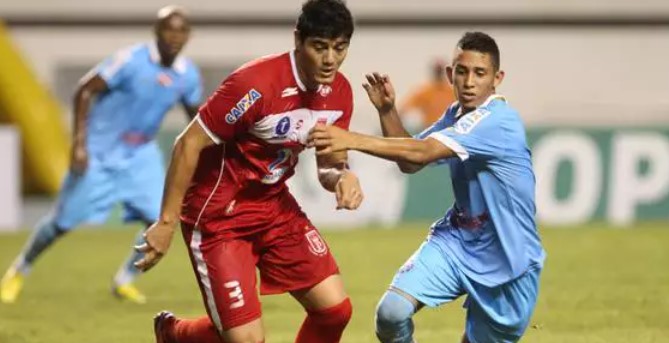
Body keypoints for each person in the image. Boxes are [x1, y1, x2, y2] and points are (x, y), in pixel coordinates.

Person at [136, 1, 362, 342]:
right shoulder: (254, 84)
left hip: (275, 209)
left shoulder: (339, 93)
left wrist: (342, 176)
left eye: (339, 48)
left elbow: (329, 165)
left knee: (335, 312)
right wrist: (166, 222)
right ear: (298, 40)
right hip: (218, 218)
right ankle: (176, 333)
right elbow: (187, 144)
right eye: (320, 47)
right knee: (247, 340)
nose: (330, 59)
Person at [308, 31, 546, 343]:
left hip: (508, 259)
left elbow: (422, 152)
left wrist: (350, 139)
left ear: (497, 78)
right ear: (451, 75)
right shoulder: (456, 115)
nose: (469, 82)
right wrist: (387, 111)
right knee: (391, 313)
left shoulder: (498, 121)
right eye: (462, 72)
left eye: (480, 73)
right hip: (458, 241)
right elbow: (411, 161)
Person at [0, 6, 203, 305]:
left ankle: (124, 280)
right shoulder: (130, 61)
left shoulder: (187, 75)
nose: (175, 36)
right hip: (100, 151)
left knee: (159, 219)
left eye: (181, 31)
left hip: (140, 155)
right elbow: (84, 90)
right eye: (169, 30)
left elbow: (196, 118)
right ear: (157, 32)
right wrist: (79, 144)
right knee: (62, 223)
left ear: (188, 36)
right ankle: (19, 269)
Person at [398, 58, 456, 132]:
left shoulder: (452, 91)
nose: (438, 73)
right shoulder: (425, 91)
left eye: (440, 71)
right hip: (430, 129)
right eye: (437, 71)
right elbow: (404, 109)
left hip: (449, 129)